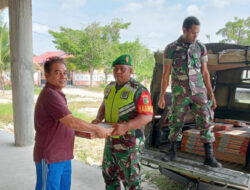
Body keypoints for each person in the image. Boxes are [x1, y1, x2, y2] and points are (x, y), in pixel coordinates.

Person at [34, 57, 111, 190]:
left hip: (63, 155)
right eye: (58, 73)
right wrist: (96, 128)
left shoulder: (57, 94)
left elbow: (63, 122)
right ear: (46, 75)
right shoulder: (50, 94)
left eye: (65, 72)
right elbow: (71, 121)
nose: (63, 76)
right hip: (50, 157)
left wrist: (87, 129)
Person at [158, 16, 222, 168]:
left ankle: (209, 157)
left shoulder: (201, 47)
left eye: (197, 33)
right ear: (184, 30)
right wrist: (162, 95)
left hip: (199, 93)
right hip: (180, 93)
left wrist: (211, 94)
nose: (196, 36)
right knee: (176, 121)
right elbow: (165, 74)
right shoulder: (171, 48)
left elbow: (205, 73)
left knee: (206, 121)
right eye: (193, 33)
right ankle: (172, 152)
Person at [92, 54, 153, 190]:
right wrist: (98, 119)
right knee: (109, 176)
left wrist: (126, 126)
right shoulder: (110, 87)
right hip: (110, 141)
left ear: (130, 71)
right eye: (116, 69)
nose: (118, 72)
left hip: (129, 144)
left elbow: (147, 116)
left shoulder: (139, 90)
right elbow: (104, 105)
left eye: (122, 69)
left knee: (131, 182)